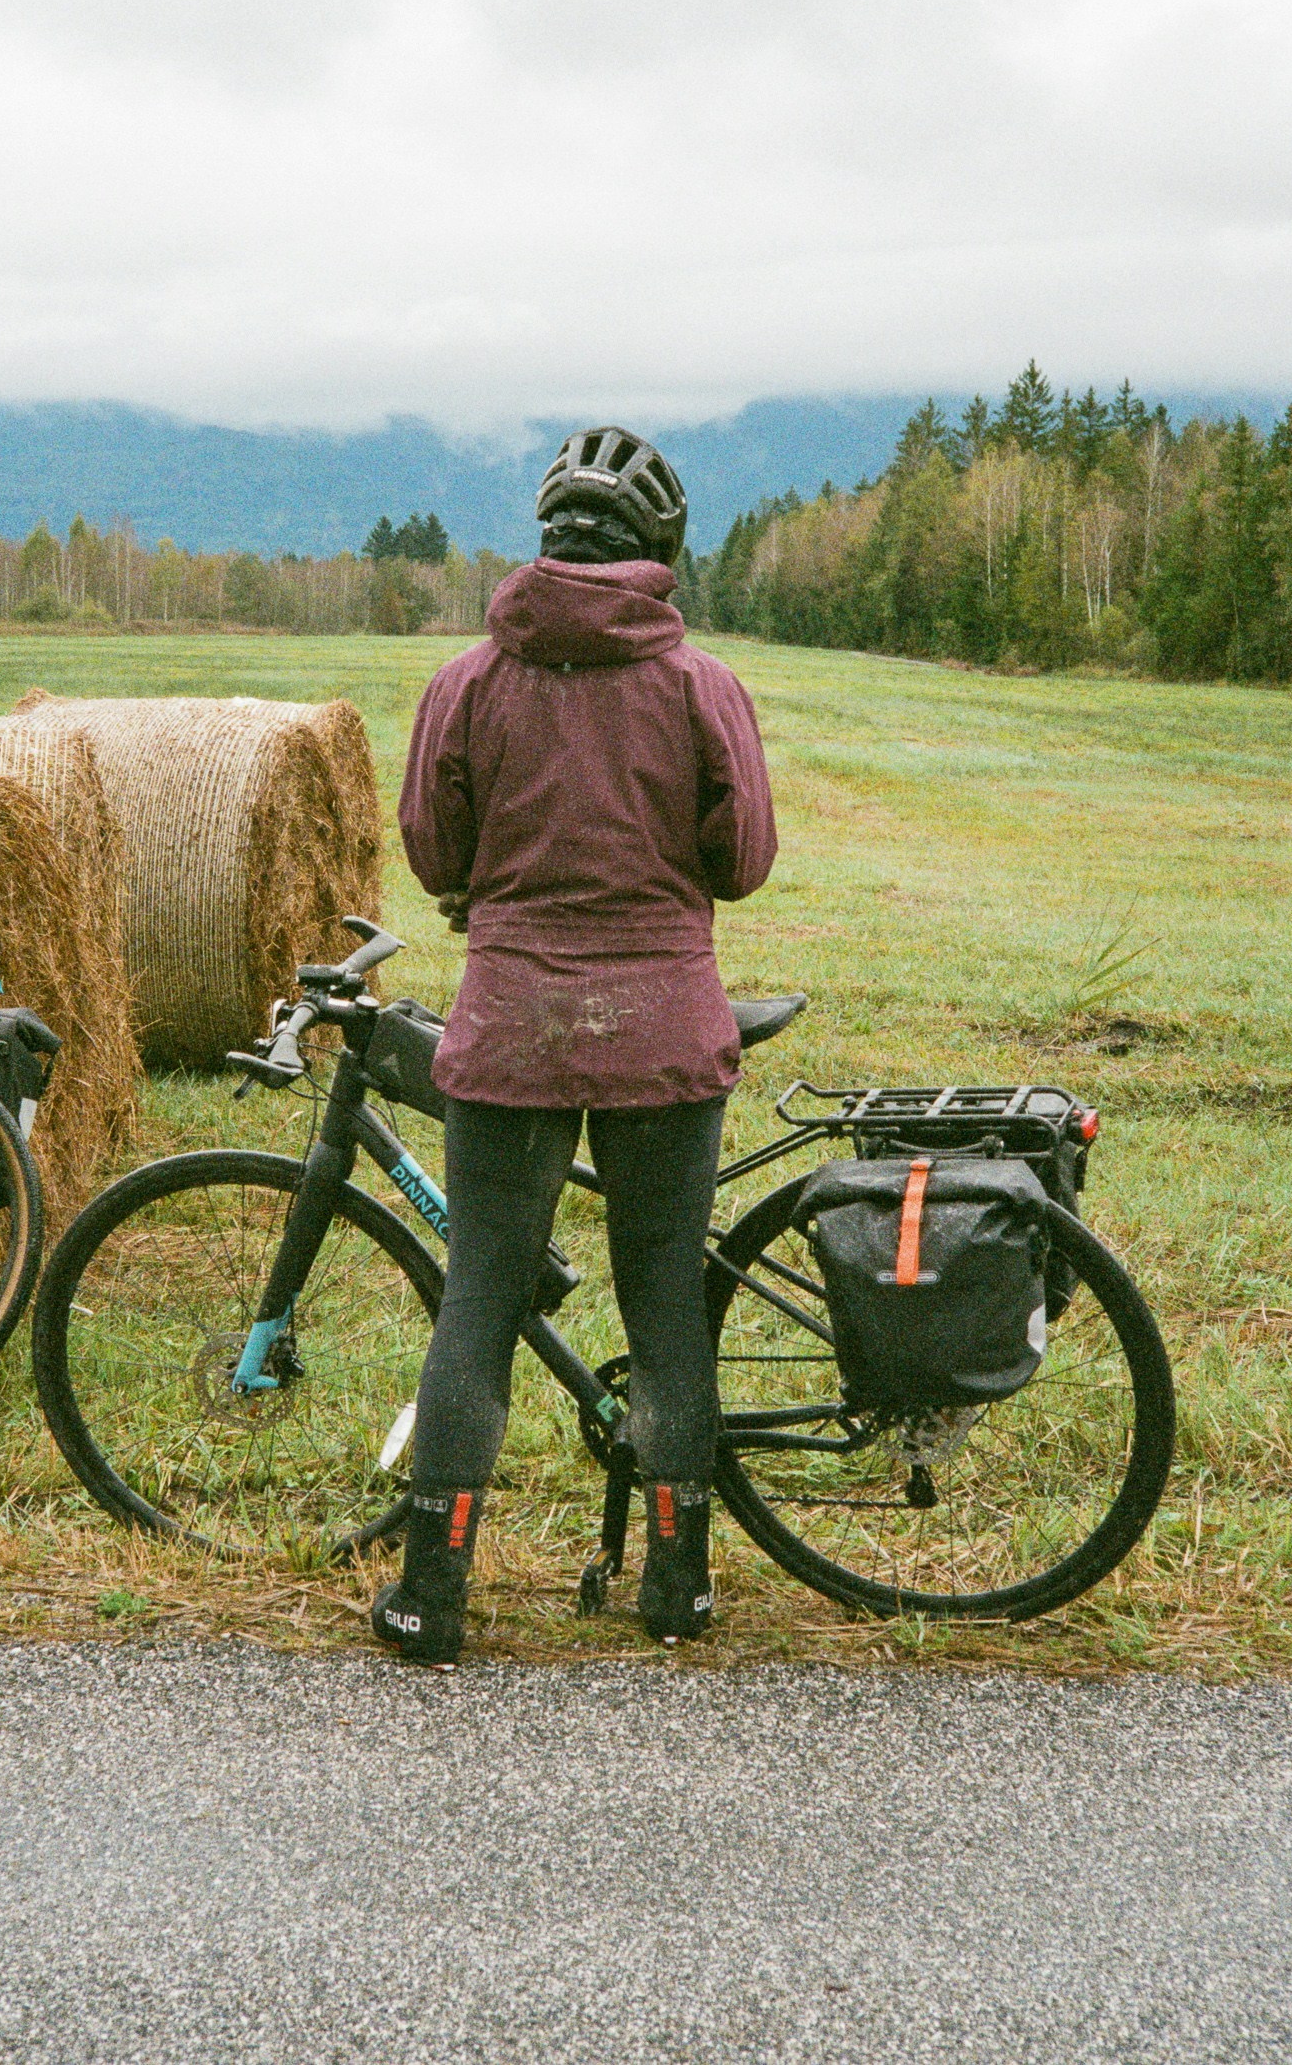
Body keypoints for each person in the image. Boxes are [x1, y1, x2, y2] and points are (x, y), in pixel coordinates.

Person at [372, 426, 778, 1664]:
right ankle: (679, 1584)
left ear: (545, 542)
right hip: (664, 1029)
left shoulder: (469, 681)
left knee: (478, 1302)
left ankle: (430, 1594)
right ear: (658, 550)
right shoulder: (702, 684)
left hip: (512, 1028)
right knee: (666, 1307)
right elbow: (745, 859)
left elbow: (434, 855)